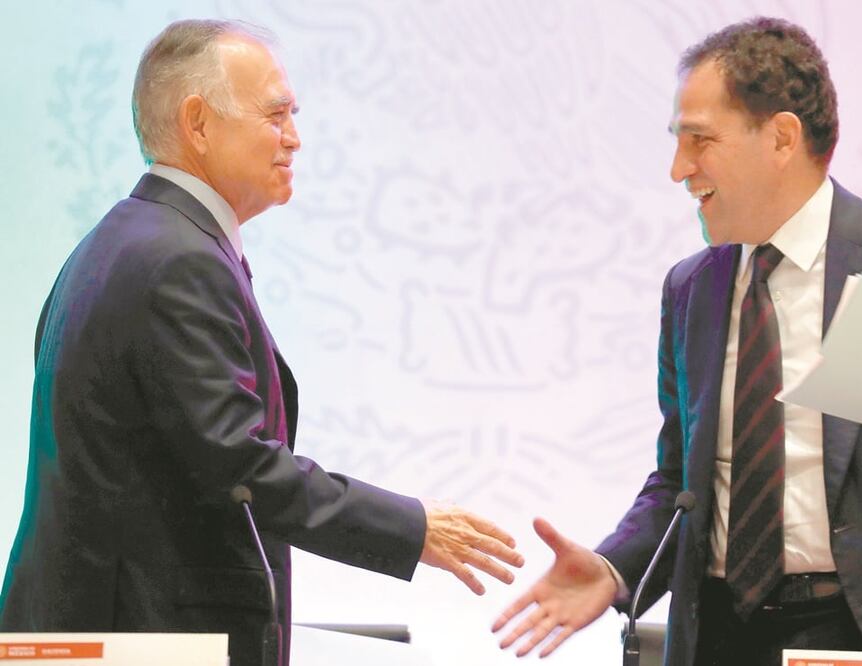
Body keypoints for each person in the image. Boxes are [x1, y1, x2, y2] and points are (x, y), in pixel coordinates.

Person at [493, 16, 862, 666]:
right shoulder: (690, 289)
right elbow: (681, 481)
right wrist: (613, 569)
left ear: (781, 137)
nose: (678, 169)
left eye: (699, 141)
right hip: (724, 636)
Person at [0, 19, 524, 666]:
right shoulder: (176, 263)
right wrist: (411, 529)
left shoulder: (121, 241)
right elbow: (242, 467)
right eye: (277, 116)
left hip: (99, 636)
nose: (295, 139)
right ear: (197, 123)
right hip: (139, 643)